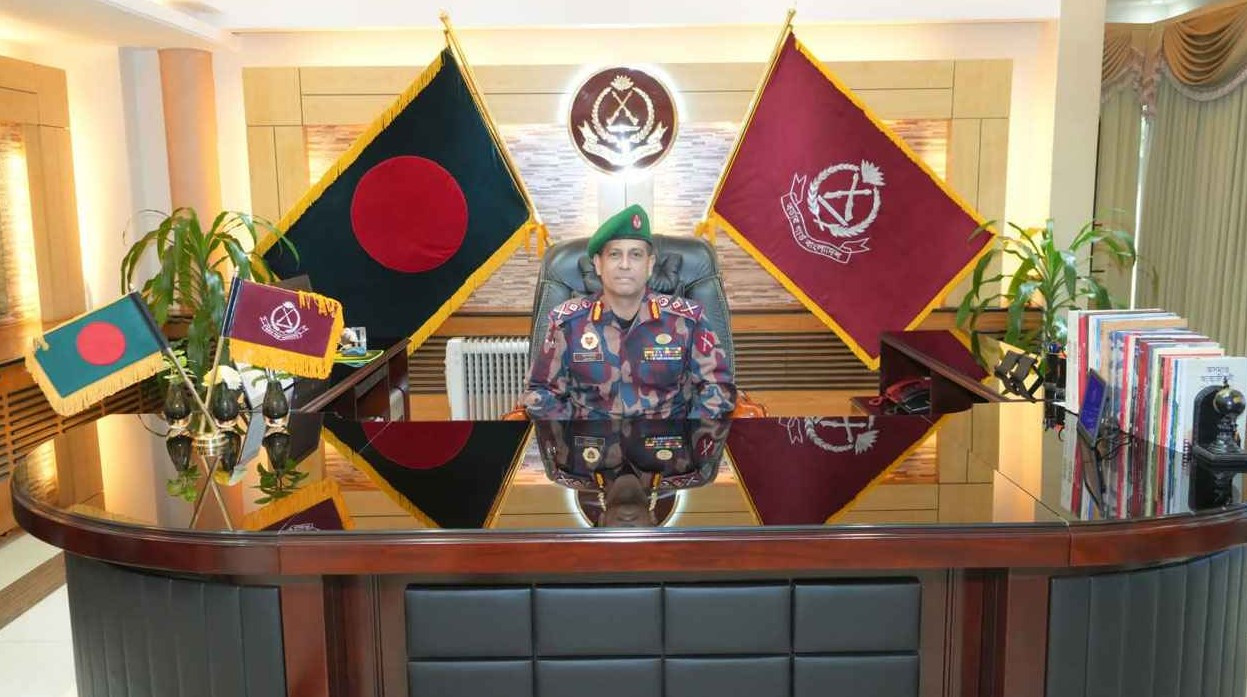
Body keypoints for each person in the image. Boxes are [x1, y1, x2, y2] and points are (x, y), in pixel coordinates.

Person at [523, 205, 737, 419]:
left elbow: (718, 388)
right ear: (598, 264)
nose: (625, 265)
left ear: (650, 264)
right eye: (614, 254)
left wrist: (692, 434)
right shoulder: (567, 323)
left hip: (666, 437)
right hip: (591, 437)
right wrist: (567, 435)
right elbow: (540, 392)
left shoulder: (688, 320)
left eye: (635, 255)